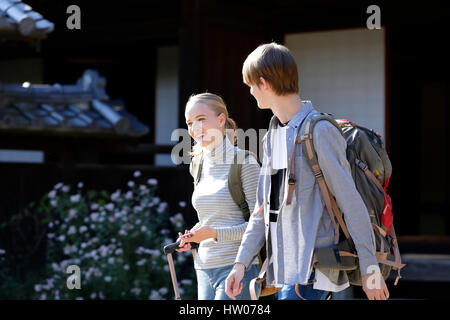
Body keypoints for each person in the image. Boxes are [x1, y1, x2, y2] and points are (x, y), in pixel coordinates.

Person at [225, 43, 390, 300]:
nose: (250, 92)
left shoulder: (319, 131)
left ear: (263, 83)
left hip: (316, 272)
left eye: (250, 85)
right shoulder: (275, 136)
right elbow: (264, 210)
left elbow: (351, 202)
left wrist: (370, 269)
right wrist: (240, 264)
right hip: (286, 274)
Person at [176, 92, 262, 300]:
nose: (195, 128)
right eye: (190, 122)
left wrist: (213, 233)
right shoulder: (198, 165)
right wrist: (194, 235)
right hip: (204, 267)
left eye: (201, 119)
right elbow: (212, 219)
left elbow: (259, 226)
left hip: (238, 267)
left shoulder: (245, 163)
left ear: (221, 119)